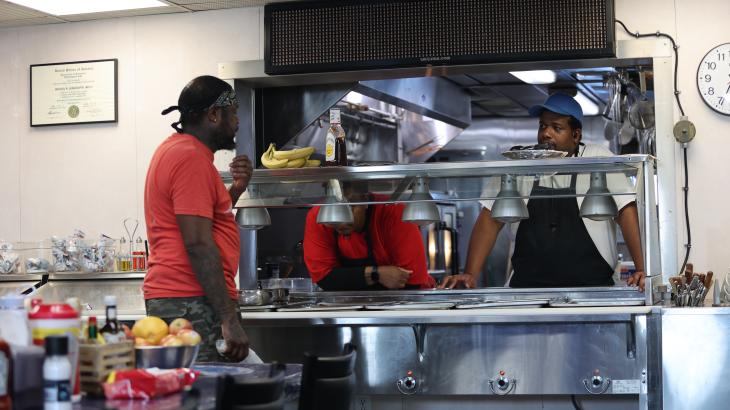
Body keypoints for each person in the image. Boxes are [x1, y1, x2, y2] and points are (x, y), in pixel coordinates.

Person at [440, 93, 646, 291]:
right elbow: (490, 220)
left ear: (576, 135)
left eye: (557, 127)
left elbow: (626, 210)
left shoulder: (597, 159)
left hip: (592, 288)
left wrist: (642, 269)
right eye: (543, 125)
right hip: (527, 291)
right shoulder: (520, 162)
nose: (546, 133)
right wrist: (470, 273)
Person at [143, 75, 252, 362]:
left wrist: (236, 191)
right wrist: (228, 317)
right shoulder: (190, 158)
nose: (237, 122)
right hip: (190, 301)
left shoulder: (178, 150)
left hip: (185, 298)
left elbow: (206, 222)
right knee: (201, 398)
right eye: (234, 113)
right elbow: (198, 243)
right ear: (214, 115)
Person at [303, 186, 436, 290]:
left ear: (365, 202)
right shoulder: (319, 216)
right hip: (347, 308)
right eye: (334, 209)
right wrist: (376, 274)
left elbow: (412, 282)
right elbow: (325, 279)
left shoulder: (393, 213)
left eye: (351, 207)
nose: (341, 220)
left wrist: (348, 278)